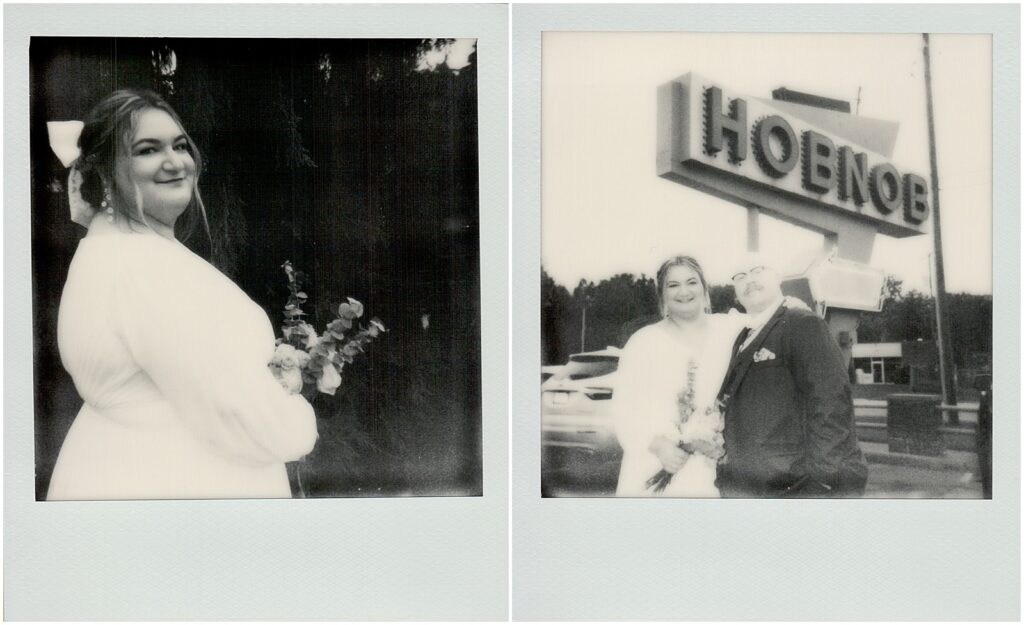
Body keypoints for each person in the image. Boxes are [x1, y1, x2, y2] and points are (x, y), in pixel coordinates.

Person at [48, 89, 318, 500]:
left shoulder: (127, 251)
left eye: (179, 145)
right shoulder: (140, 266)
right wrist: (296, 419)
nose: (175, 162)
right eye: (147, 150)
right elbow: (235, 409)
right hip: (166, 485)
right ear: (104, 170)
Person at [715, 254, 868, 498]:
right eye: (741, 276)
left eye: (757, 270)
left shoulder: (803, 323)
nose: (749, 280)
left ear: (777, 277)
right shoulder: (743, 338)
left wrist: (824, 479)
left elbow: (831, 402)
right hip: (751, 487)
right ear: (735, 289)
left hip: (795, 487)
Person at [612, 255, 745, 497]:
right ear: (662, 294)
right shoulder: (643, 342)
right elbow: (623, 409)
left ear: (705, 288)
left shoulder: (730, 329)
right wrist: (658, 446)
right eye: (673, 285)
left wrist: (790, 303)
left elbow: (772, 318)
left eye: (692, 282)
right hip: (656, 463)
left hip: (712, 467)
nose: (684, 291)